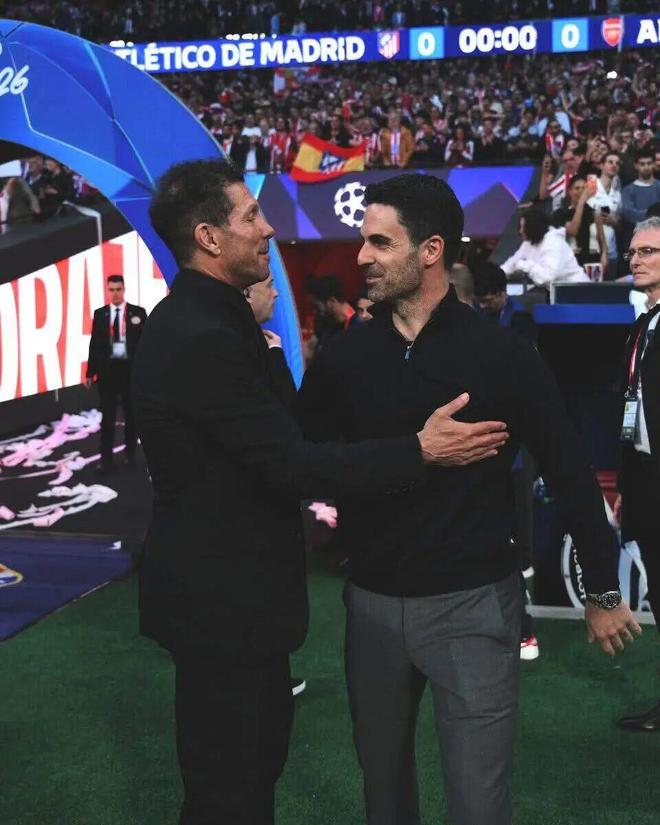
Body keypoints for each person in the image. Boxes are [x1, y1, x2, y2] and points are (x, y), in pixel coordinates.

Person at [131, 158, 511, 825]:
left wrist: (264, 343)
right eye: (251, 215)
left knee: (247, 776)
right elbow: (292, 459)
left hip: (234, 605)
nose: (267, 228)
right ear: (209, 237)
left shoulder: (217, 322)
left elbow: (284, 431)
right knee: (230, 791)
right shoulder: (200, 334)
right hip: (222, 605)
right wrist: (418, 451)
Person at [296, 173, 641, 825]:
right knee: (383, 798)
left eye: (379, 242)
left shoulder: (500, 353)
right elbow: (301, 461)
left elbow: (567, 465)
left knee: (479, 805)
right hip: (372, 605)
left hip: (474, 605)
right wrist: (411, 452)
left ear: (431, 250)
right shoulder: (347, 357)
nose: (362, 256)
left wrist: (601, 587)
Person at [473, 262, 538, 660]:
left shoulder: (521, 321)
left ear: (501, 295)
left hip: (515, 447)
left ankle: (525, 627)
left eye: (488, 300)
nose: (483, 306)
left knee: (518, 537)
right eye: (478, 300)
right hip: (483, 448)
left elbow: (524, 377)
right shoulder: (474, 321)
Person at [245, 272, 306, 699]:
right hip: (253, 499)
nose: (277, 292)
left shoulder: (253, 343)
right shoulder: (249, 351)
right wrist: (276, 356)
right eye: (268, 285)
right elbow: (289, 415)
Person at [617, 216, 660, 733]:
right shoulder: (641, 326)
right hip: (646, 481)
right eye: (632, 252)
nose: (635, 259)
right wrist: (628, 486)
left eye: (648, 251)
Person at [86, 274, 146, 472]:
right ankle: (106, 459)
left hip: (130, 372)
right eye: (112, 290)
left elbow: (146, 343)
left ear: (124, 289)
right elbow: (95, 344)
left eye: (118, 289)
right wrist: (90, 372)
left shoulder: (138, 312)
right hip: (108, 373)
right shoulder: (100, 314)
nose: (115, 293)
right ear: (107, 291)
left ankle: (130, 454)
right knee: (108, 417)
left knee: (131, 414)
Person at [501, 209, 589, 292]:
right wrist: (498, 276)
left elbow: (547, 277)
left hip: (578, 291)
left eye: (524, 227)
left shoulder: (554, 243)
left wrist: (524, 265)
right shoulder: (528, 243)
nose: (520, 231)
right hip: (559, 292)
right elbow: (512, 263)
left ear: (534, 227)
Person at [552, 174, 609, 278]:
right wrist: (581, 202)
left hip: (593, 261)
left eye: (583, 188)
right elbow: (573, 231)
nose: (581, 191)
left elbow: (601, 238)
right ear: (570, 191)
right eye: (577, 188)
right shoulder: (561, 214)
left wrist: (604, 255)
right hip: (572, 262)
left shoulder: (593, 212)